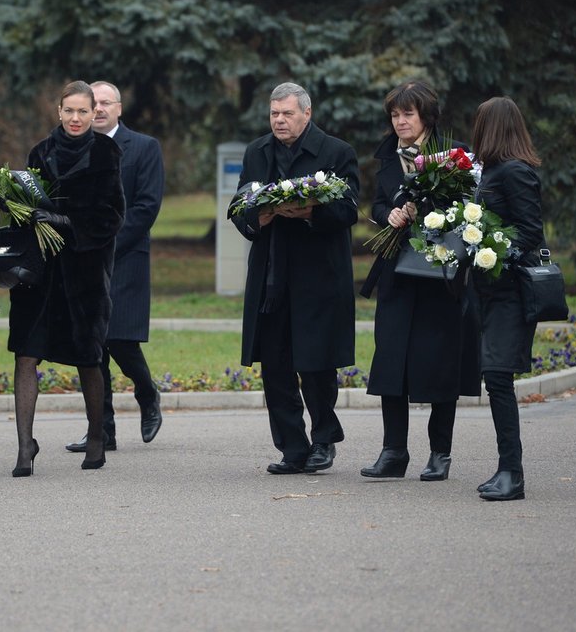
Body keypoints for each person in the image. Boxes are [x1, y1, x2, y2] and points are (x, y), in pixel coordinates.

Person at [231, 82, 359, 475]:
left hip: (318, 275)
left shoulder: (336, 152)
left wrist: (308, 212)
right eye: (274, 114)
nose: (279, 121)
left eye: (287, 114)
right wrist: (260, 215)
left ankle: (323, 440)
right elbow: (239, 207)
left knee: (316, 363)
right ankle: (292, 447)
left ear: (307, 113)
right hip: (271, 277)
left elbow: (349, 209)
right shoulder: (257, 152)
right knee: (275, 365)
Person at [360, 81, 480, 481]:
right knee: (391, 358)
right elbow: (377, 202)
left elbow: (470, 204)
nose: (399, 121)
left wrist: (430, 209)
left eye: (407, 114)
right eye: (394, 115)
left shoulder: (454, 154)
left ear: (426, 115)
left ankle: (439, 453)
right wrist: (389, 214)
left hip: (438, 270)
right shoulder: (388, 154)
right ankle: (393, 452)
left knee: (440, 360)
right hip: (397, 269)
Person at [9, 81, 125, 476]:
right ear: (58, 112)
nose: (76, 119)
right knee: (25, 353)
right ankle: (25, 447)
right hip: (40, 274)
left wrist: (64, 223)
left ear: (95, 114)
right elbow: (24, 208)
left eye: (83, 111)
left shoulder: (107, 152)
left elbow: (111, 217)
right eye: (69, 111)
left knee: (88, 357)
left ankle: (97, 437)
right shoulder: (39, 152)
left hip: (85, 274)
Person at [64, 80, 165, 454]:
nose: (100, 109)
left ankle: (147, 392)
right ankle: (101, 431)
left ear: (119, 108)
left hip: (124, 258)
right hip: (80, 262)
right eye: (94, 103)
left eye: (106, 103)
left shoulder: (143, 148)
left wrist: (104, 244)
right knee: (91, 347)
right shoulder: (71, 148)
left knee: (119, 339)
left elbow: (146, 207)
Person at [471, 96, 546, 501]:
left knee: (498, 375)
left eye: (480, 125)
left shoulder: (514, 171)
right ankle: (507, 468)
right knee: (495, 376)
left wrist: (488, 244)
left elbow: (530, 231)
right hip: (492, 290)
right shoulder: (494, 171)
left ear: (492, 128)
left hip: (512, 292)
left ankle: (512, 473)